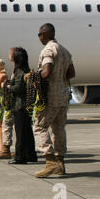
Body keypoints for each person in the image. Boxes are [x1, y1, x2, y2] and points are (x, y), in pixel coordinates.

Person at [33, 23, 75, 177]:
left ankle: (50, 162)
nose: (39, 38)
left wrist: (35, 78)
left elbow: (46, 70)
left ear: (44, 35)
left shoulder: (49, 50)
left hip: (50, 96)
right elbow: (71, 73)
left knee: (39, 126)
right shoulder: (65, 51)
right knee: (58, 129)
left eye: (39, 35)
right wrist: (60, 78)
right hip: (63, 95)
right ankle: (60, 163)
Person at [6, 47, 37, 164]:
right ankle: (30, 155)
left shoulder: (19, 71)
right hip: (25, 105)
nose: (9, 55)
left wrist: (8, 87)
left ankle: (20, 157)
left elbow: (18, 88)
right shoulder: (24, 69)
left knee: (20, 132)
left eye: (11, 54)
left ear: (15, 57)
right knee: (27, 131)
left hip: (19, 105)